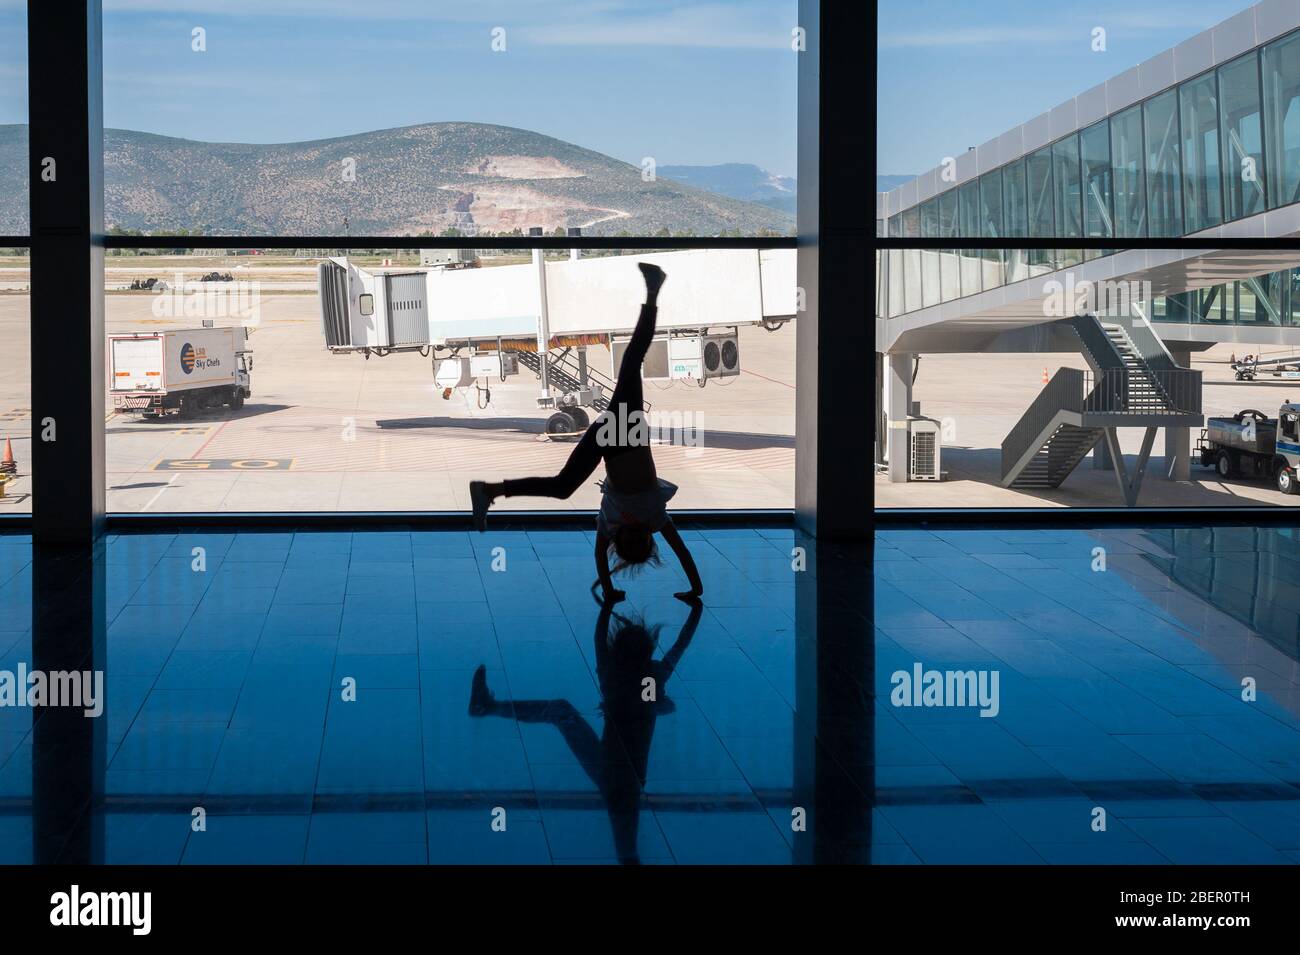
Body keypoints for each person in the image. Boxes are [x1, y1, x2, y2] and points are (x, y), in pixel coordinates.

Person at [469, 262, 704, 603]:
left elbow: (681, 551)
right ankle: (490, 490)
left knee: (632, 360)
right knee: (562, 487)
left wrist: (697, 587)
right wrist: (609, 591)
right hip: (616, 436)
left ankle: (653, 291)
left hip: (626, 430)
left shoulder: (652, 516)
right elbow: (601, 555)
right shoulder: (617, 523)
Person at [468, 590, 703, 864]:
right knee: (627, 853)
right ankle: (486, 707)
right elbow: (681, 644)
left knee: (560, 710)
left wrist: (607, 606)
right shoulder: (655, 675)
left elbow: (599, 639)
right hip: (622, 780)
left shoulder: (610, 674)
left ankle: (488, 707)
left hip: (613, 773)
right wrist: (695, 610)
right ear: (648, 651)